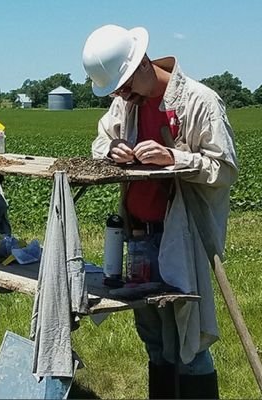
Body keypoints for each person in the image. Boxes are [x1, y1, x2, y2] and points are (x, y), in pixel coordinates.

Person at [82, 24, 238, 399]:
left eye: (123, 87)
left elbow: (225, 169)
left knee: (189, 339)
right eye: (115, 91)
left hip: (183, 234)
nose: (120, 96)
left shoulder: (200, 101)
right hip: (139, 234)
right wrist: (111, 149)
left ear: (143, 65)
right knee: (153, 337)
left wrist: (176, 157)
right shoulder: (126, 102)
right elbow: (101, 138)